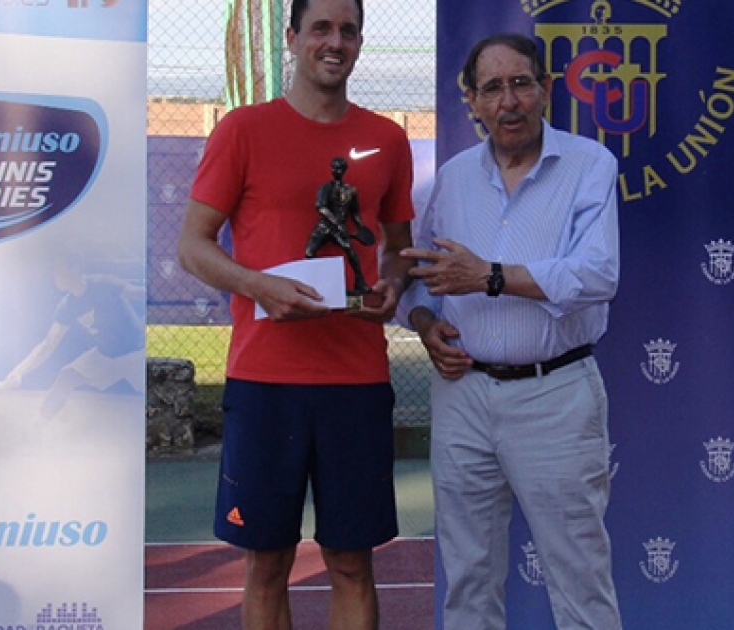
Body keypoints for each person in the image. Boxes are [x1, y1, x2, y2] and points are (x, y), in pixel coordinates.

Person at [176, 0, 415, 626]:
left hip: (356, 384)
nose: (335, 42)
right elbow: (192, 246)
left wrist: (392, 284)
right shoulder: (242, 130)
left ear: (360, 42)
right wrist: (259, 286)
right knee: (267, 564)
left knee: (350, 563)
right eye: (321, 29)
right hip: (264, 384)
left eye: (348, 30)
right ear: (292, 38)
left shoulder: (388, 139)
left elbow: (398, 249)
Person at [397, 34, 622, 629]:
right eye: (491, 88)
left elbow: (597, 274)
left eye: (521, 83)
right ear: (471, 101)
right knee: (467, 580)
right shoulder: (451, 178)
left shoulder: (590, 165)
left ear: (547, 90)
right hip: (463, 395)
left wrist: (489, 276)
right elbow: (422, 279)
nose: (508, 100)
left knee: (580, 578)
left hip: (555, 395)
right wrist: (422, 323)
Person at [0, 254, 146, 419]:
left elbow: (141, 293)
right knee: (66, 377)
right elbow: (48, 343)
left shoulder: (103, 283)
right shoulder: (67, 306)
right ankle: (40, 425)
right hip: (105, 355)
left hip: (137, 353)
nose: (55, 274)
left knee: (159, 391)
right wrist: (19, 372)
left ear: (76, 268)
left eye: (59, 268)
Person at [306, 157, 375, 295]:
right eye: (334, 168)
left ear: (344, 170)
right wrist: (337, 223)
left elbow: (354, 212)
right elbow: (321, 208)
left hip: (339, 230)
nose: (336, 171)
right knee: (309, 252)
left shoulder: (351, 191)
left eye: (339, 168)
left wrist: (360, 227)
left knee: (351, 252)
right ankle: (315, 283)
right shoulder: (325, 188)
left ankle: (360, 282)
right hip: (324, 227)